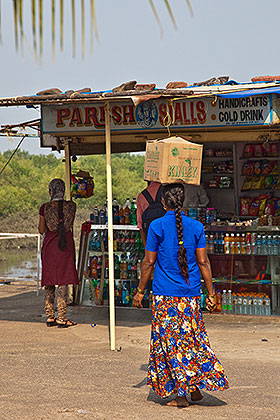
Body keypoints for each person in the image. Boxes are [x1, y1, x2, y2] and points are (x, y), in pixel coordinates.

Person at [133, 183, 228, 407]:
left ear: (163, 202)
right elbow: (204, 262)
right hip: (191, 294)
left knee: (171, 344)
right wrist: (211, 294)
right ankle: (194, 389)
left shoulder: (156, 226)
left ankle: (181, 395)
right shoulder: (196, 226)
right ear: (182, 202)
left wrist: (139, 291)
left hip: (165, 296)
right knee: (193, 341)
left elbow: (149, 262)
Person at [38, 178, 79, 328]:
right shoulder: (72, 206)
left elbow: (42, 230)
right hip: (65, 246)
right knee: (63, 281)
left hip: (50, 246)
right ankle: (62, 317)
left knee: (49, 280)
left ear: (51, 191)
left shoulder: (45, 208)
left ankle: (50, 316)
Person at [136, 181, 165, 246]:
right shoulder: (167, 192)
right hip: (166, 240)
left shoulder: (141, 196)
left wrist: (146, 246)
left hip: (150, 239)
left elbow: (140, 225)